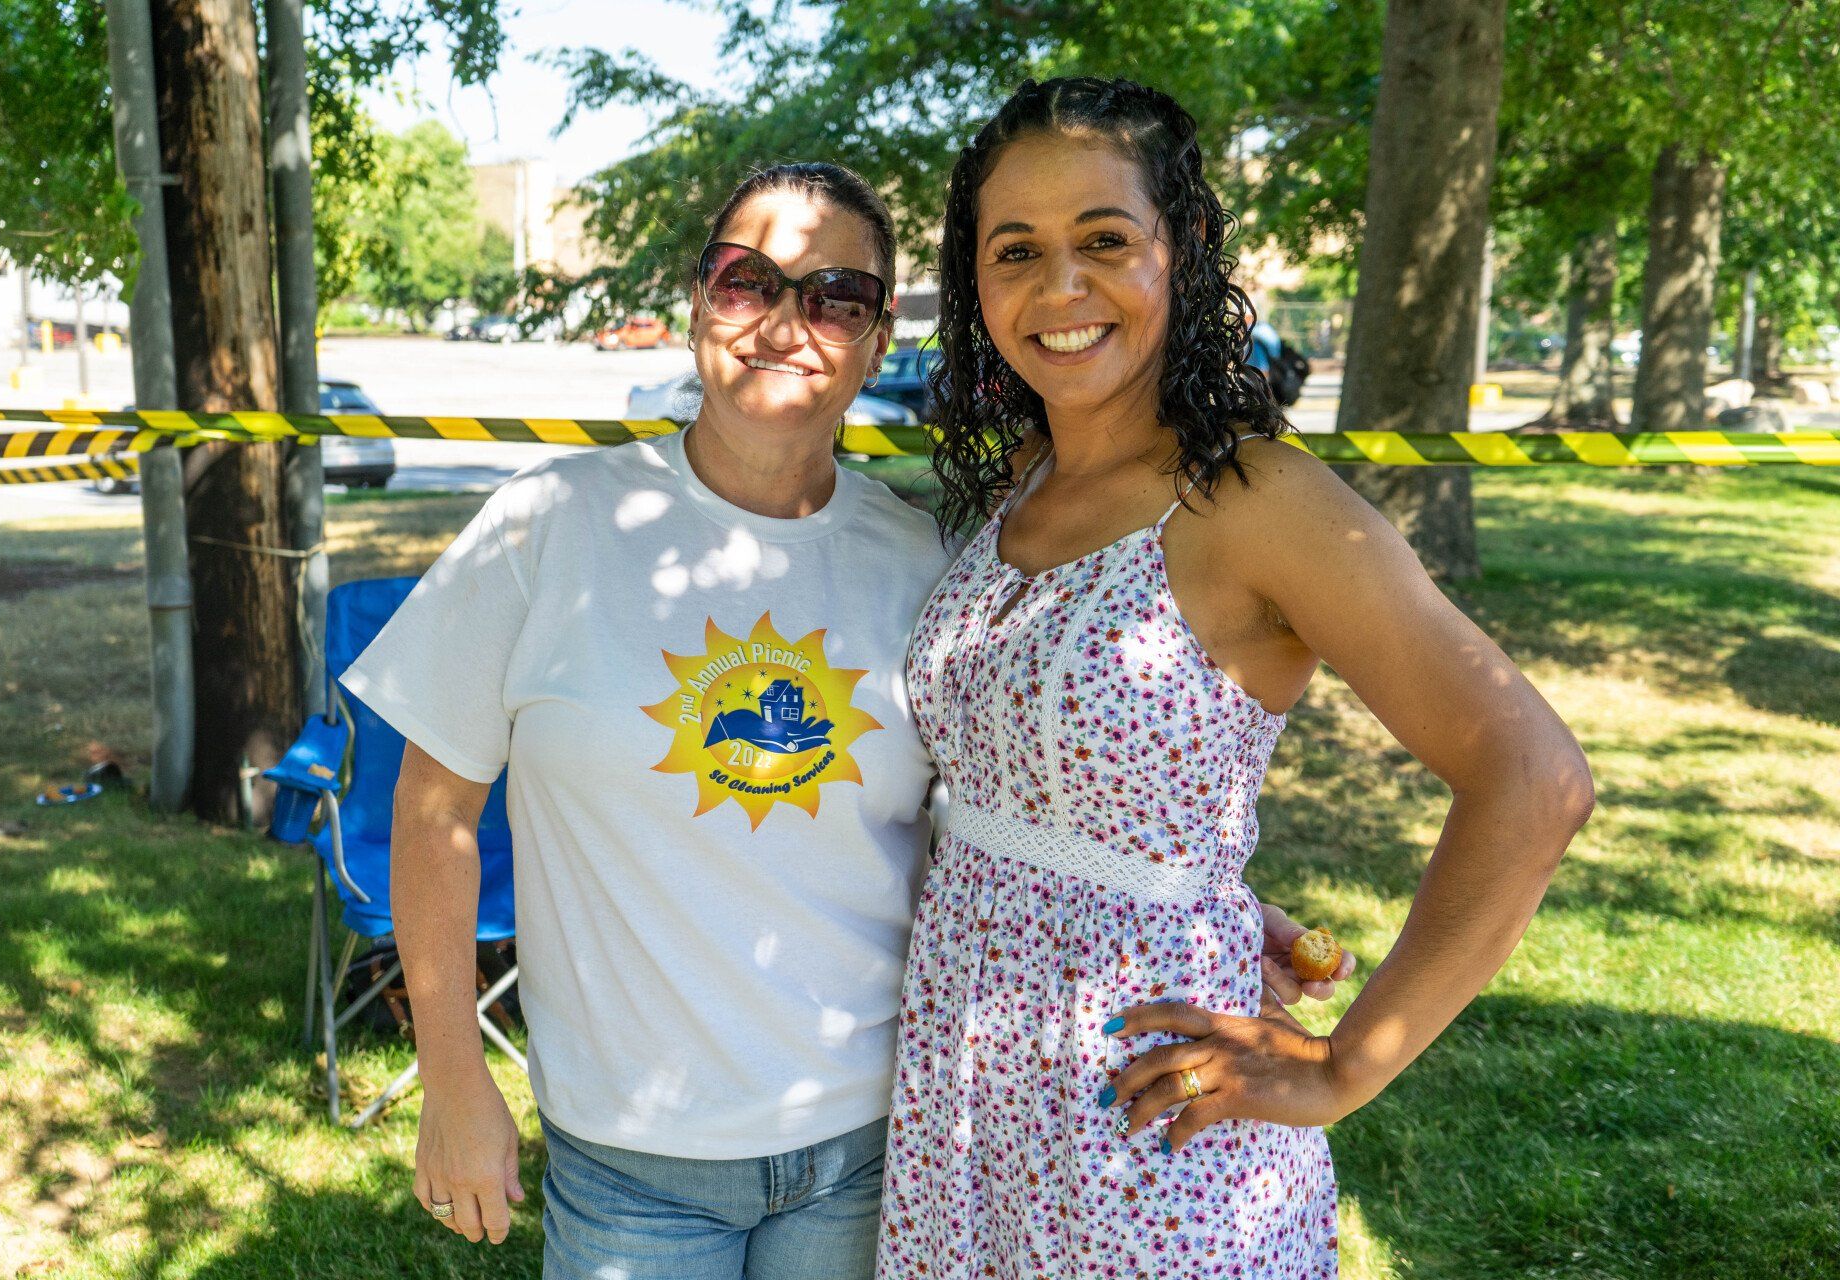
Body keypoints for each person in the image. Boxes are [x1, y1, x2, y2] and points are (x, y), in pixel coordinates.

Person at [341, 160, 1349, 1278]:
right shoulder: (548, 526)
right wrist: (451, 1073)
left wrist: (1193, 902)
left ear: (878, 342)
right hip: (630, 1152)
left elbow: (1003, 790)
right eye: (747, 281)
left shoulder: (927, 562)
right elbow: (432, 808)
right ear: (696, 304)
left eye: (838, 297)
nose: (786, 321)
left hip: (876, 1135)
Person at [879, 77, 1594, 1278]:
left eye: (1105, 240)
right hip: (970, 1085)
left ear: (1188, 246)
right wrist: (1177, 877)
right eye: (1016, 252)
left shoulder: (1253, 498)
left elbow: (1534, 777)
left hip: (1144, 1109)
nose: (1060, 288)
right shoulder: (1020, 481)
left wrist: (1343, 1064)